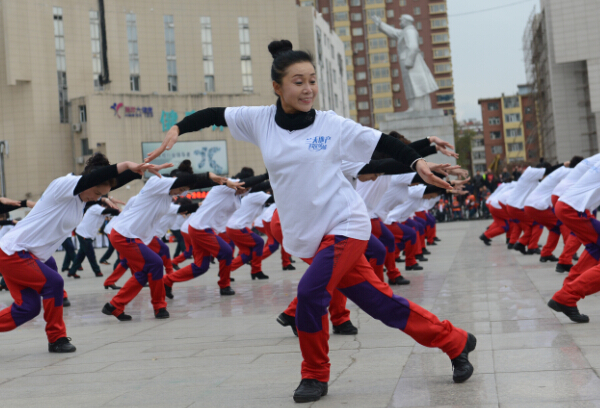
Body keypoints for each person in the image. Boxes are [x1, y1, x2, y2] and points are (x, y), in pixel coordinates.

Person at [146, 39, 476, 402]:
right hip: (308, 235)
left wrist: (418, 161)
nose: (308, 89)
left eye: (312, 81)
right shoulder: (259, 121)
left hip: (345, 226)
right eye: (298, 81)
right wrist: (177, 128)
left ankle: (314, 375)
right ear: (277, 87)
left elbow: (382, 145)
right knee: (381, 304)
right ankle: (455, 341)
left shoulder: (331, 125)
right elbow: (213, 113)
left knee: (310, 293)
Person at [0, 154, 163, 352]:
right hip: (13, 251)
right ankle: (57, 339)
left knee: (28, 308)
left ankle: (55, 337)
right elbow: (90, 181)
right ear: (89, 181)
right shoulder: (65, 184)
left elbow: (100, 184)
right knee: (54, 283)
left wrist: (136, 173)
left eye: (100, 195)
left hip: (25, 255)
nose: (96, 198)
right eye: (96, 193)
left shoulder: (81, 198)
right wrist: (127, 165)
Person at [102, 171, 235, 321]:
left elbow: (191, 186)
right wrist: (211, 176)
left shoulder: (166, 198)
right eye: (180, 189)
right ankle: (159, 307)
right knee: (156, 263)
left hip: (134, 237)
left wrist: (219, 183)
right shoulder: (155, 183)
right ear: (173, 181)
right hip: (124, 234)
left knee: (143, 272)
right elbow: (188, 179)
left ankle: (114, 306)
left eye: (183, 190)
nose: (180, 193)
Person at [66, 202, 120, 278]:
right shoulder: (95, 208)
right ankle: (97, 271)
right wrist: (117, 209)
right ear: (103, 205)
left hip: (87, 235)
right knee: (91, 254)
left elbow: (114, 214)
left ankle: (72, 271)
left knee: (81, 254)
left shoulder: (102, 211)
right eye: (107, 207)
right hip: (83, 234)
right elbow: (111, 211)